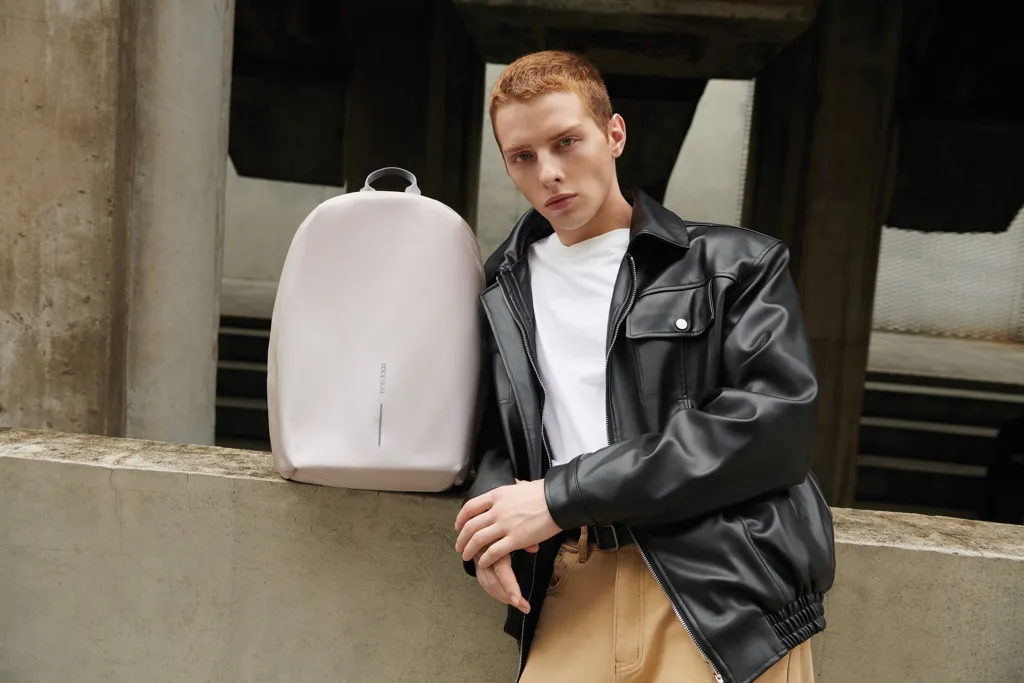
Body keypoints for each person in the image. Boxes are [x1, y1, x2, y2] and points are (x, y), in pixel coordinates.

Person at [454, 50, 835, 683]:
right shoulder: (501, 288)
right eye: (522, 156)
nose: (549, 173)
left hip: (718, 593)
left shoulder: (734, 265)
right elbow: (499, 434)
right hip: (569, 584)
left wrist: (558, 496)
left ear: (614, 134)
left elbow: (774, 431)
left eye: (566, 142)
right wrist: (491, 525)